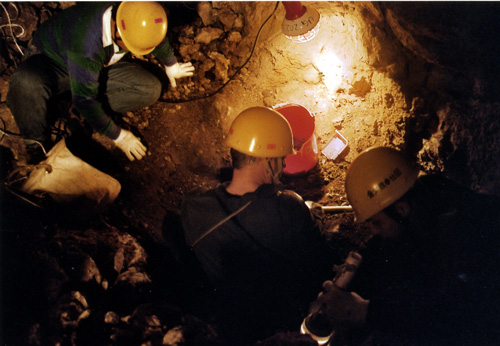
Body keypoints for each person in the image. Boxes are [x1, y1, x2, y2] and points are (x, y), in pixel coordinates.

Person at [313, 146, 500, 345]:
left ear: (401, 209)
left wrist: (366, 311)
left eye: (376, 223)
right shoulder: (423, 193)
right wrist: (355, 271)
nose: (373, 232)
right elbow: (385, 243)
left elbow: (445, 314)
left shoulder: (458, 236)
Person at [180, 107, 336, 345]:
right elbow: (321, 260)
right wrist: (308, 215)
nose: (283, 166)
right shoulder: (288, 208)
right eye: (282, 159)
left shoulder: (193, 205)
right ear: (269, 160)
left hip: (231, 313)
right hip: (280, 312)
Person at [7, 1, 194, 162]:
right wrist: (119, 136)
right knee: (26, 82)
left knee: (150, 89)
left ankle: (79, 105)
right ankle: (36, 144)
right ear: (119, 34)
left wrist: (171, 64)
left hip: (97, 63)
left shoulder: (132, 10)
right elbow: (84, 100)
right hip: (55, 62)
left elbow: (150, 29)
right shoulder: (87, 46)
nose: (138, 51)